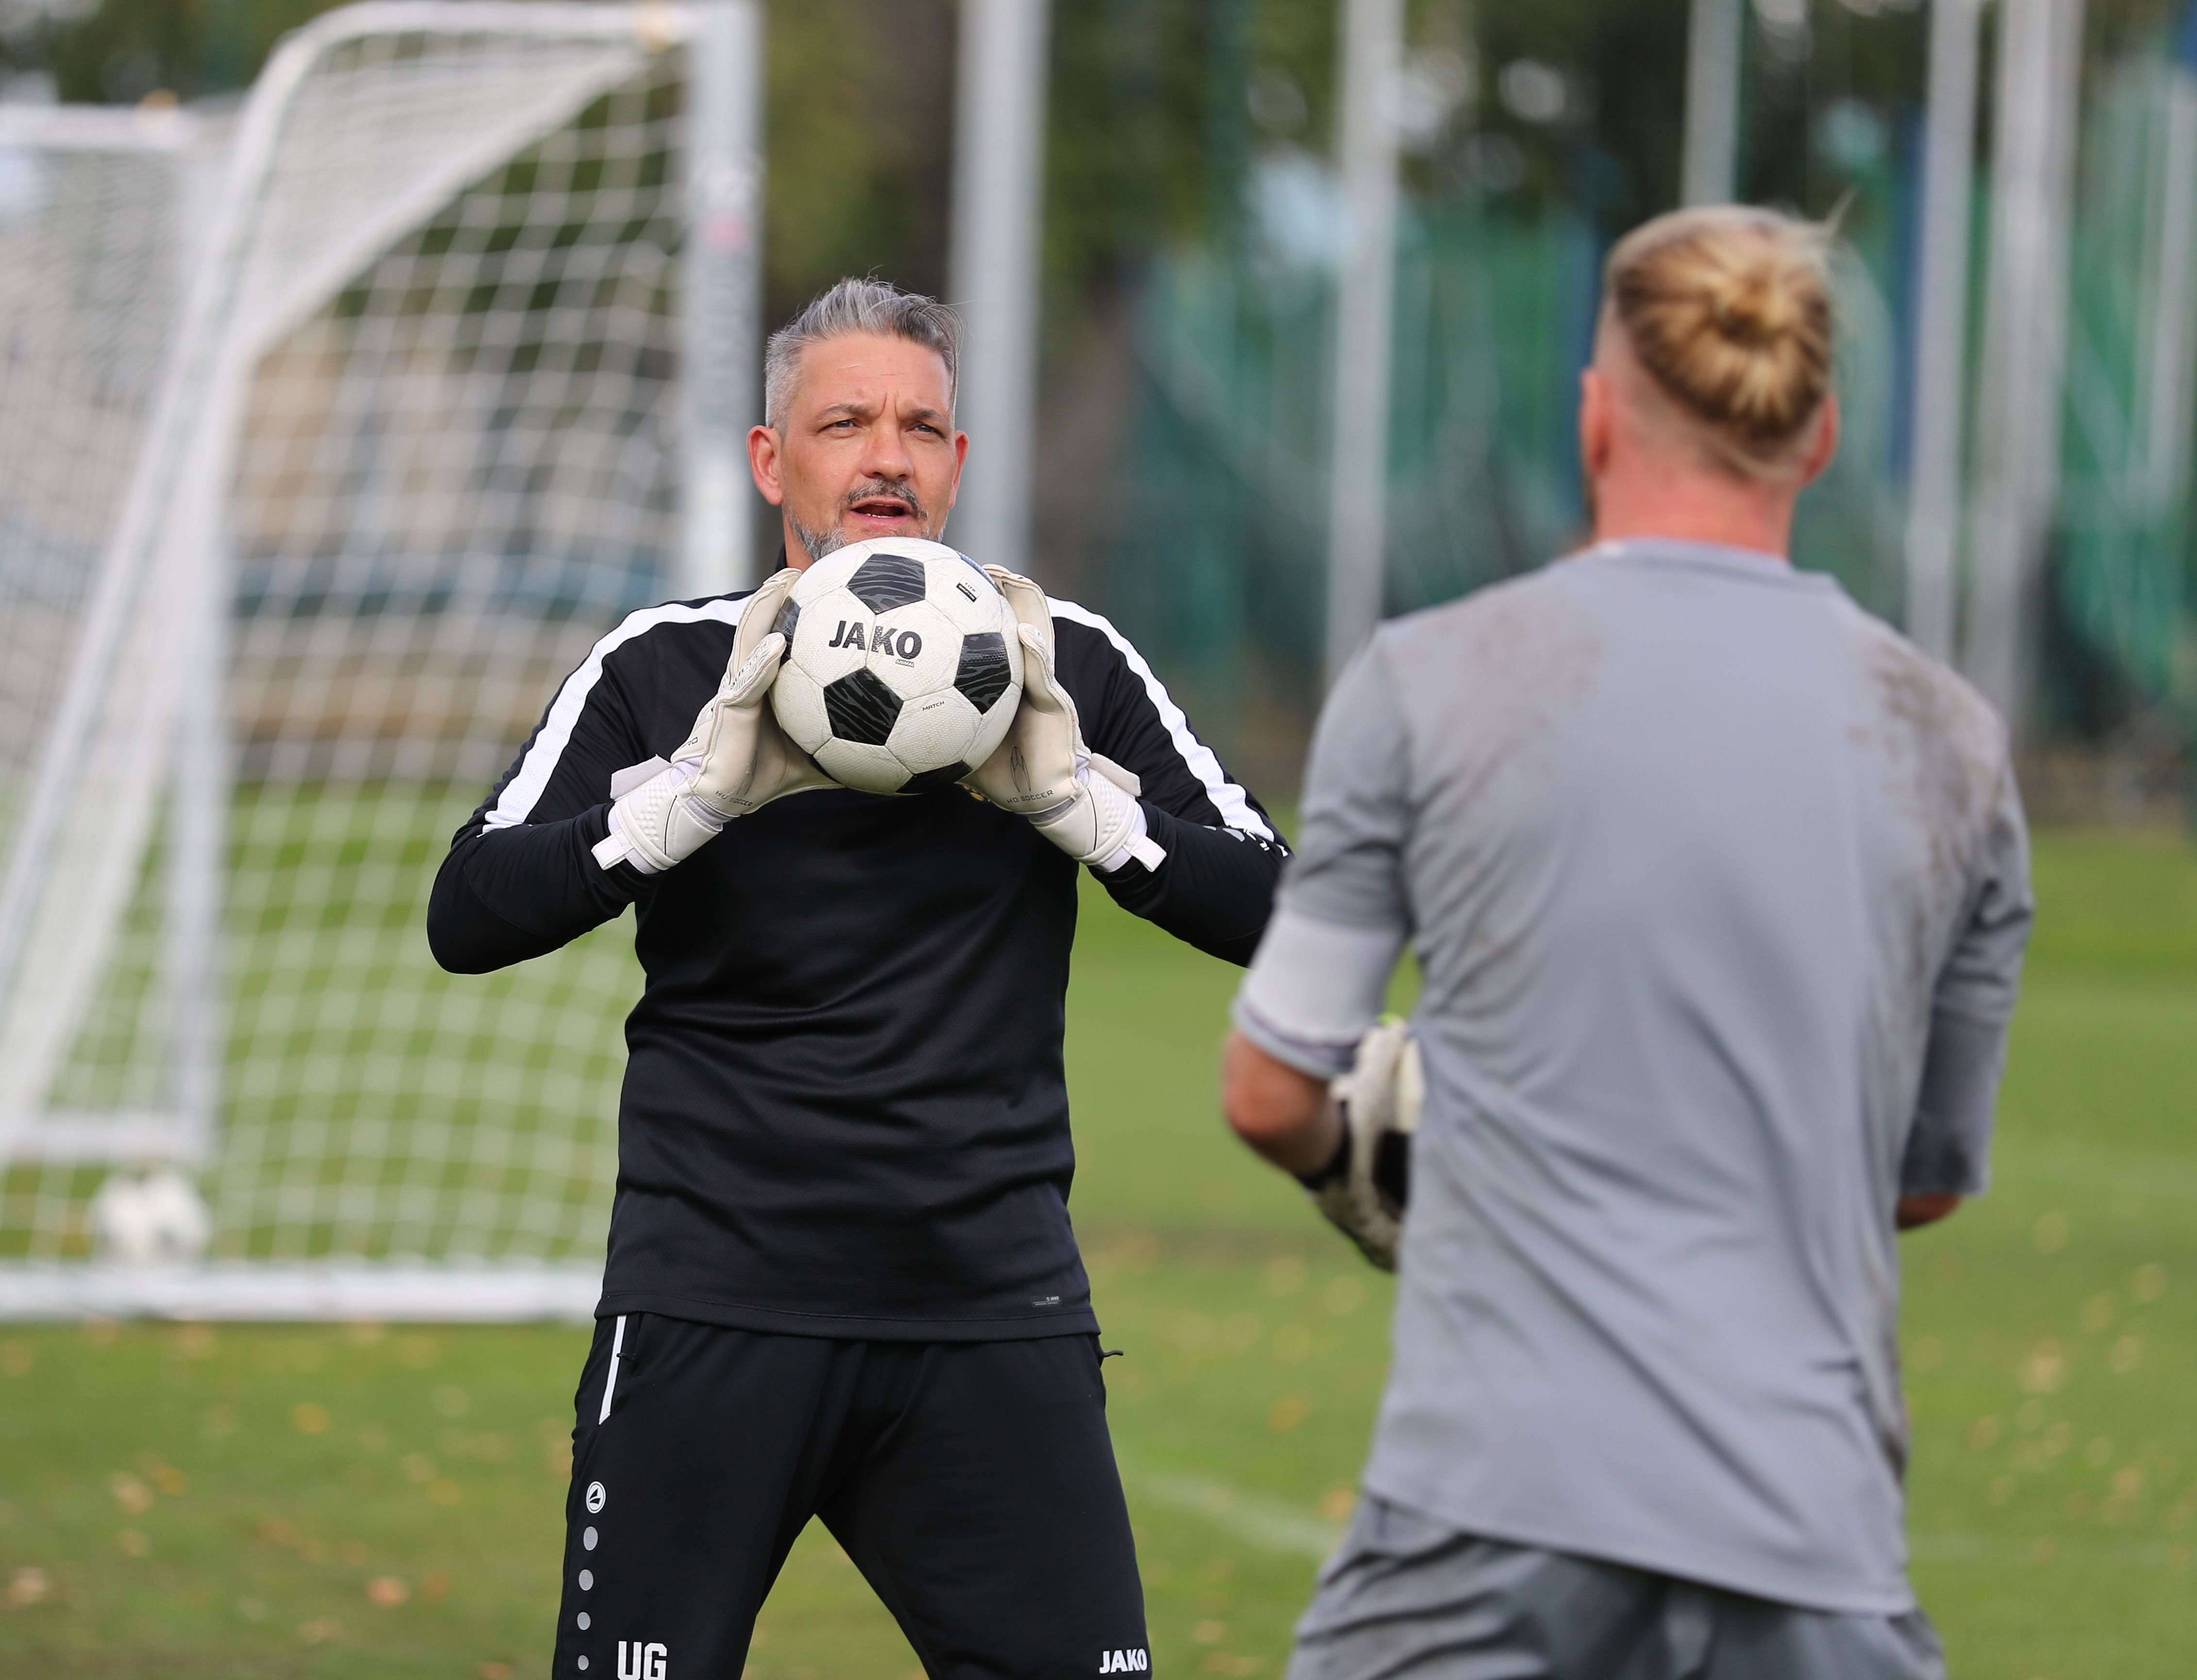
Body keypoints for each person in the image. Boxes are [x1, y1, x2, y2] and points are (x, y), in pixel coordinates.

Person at [429, 277, 1288, 1678]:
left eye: (922, 425)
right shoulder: (664, 668)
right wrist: (683, 805)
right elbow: (469, 910)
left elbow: (1283, 912)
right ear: (777, 462)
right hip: (712, 1306)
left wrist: (1093, 816)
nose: (887, 452)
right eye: (845, 420)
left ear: (957, 467)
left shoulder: (1062, 661)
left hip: (989, 1315)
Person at [1220, 206, 2032, 1680]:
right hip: (1815, 1538)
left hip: (1488, 1513)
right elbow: (1918, 1184)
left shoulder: (1430, 680)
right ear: (1822, 434)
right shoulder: (1953, 741)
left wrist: (1394, 1165)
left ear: (1598, 422)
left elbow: (1272, 1091)